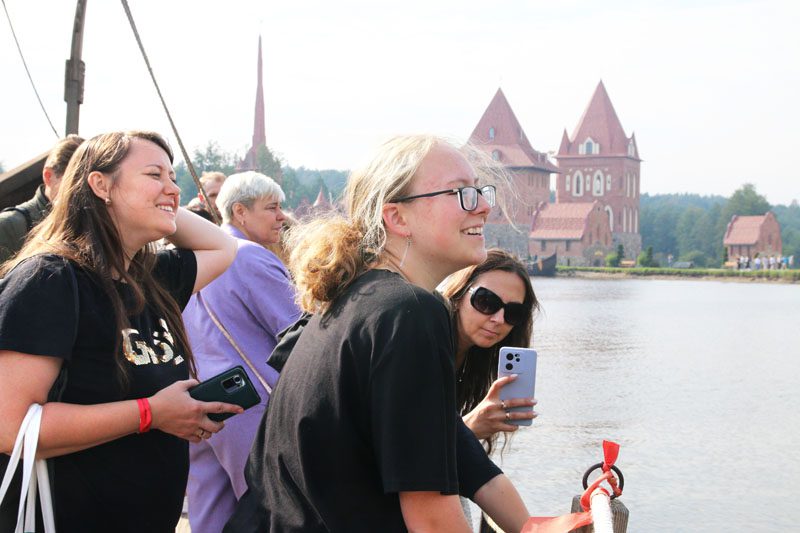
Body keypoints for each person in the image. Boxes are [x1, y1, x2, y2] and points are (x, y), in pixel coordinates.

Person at [225, 135, 529, 533]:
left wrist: (532, 527)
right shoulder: (412, 312)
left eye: (479, 191)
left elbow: (456, 448)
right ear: (397, 217)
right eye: (461, 193)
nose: (484, 206)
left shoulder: (350, 301)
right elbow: (432, 518)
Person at [0, 131, 241, 532]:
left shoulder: (151, 276)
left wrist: (157, 201)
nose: (173, 189)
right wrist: (151, 413)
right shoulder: (50, 279)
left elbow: (222, 248)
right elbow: (10, 427)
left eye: (174, 177)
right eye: (154, 174)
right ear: (100, 184)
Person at [183, 171, 301, 533]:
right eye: (272, 207)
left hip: (201, 403)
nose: (282, 215)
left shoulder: (195, 258)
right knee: (269, 514)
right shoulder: (249, 256)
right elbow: (299, 332)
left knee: (210, 514)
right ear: (240, 212)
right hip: (255, 409)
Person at [441, 249, 539, 454]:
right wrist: (471, 426)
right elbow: (405, 449)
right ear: (459, 293)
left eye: (513, 313)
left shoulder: (470, 361)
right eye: (486, 301)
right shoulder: (423, 343)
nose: (499, 319)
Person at [0, 134, 84, 262]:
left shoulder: (88, 225)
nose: (82, 192)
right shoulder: (10, 226)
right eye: (74, 182)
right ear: (48, 176)